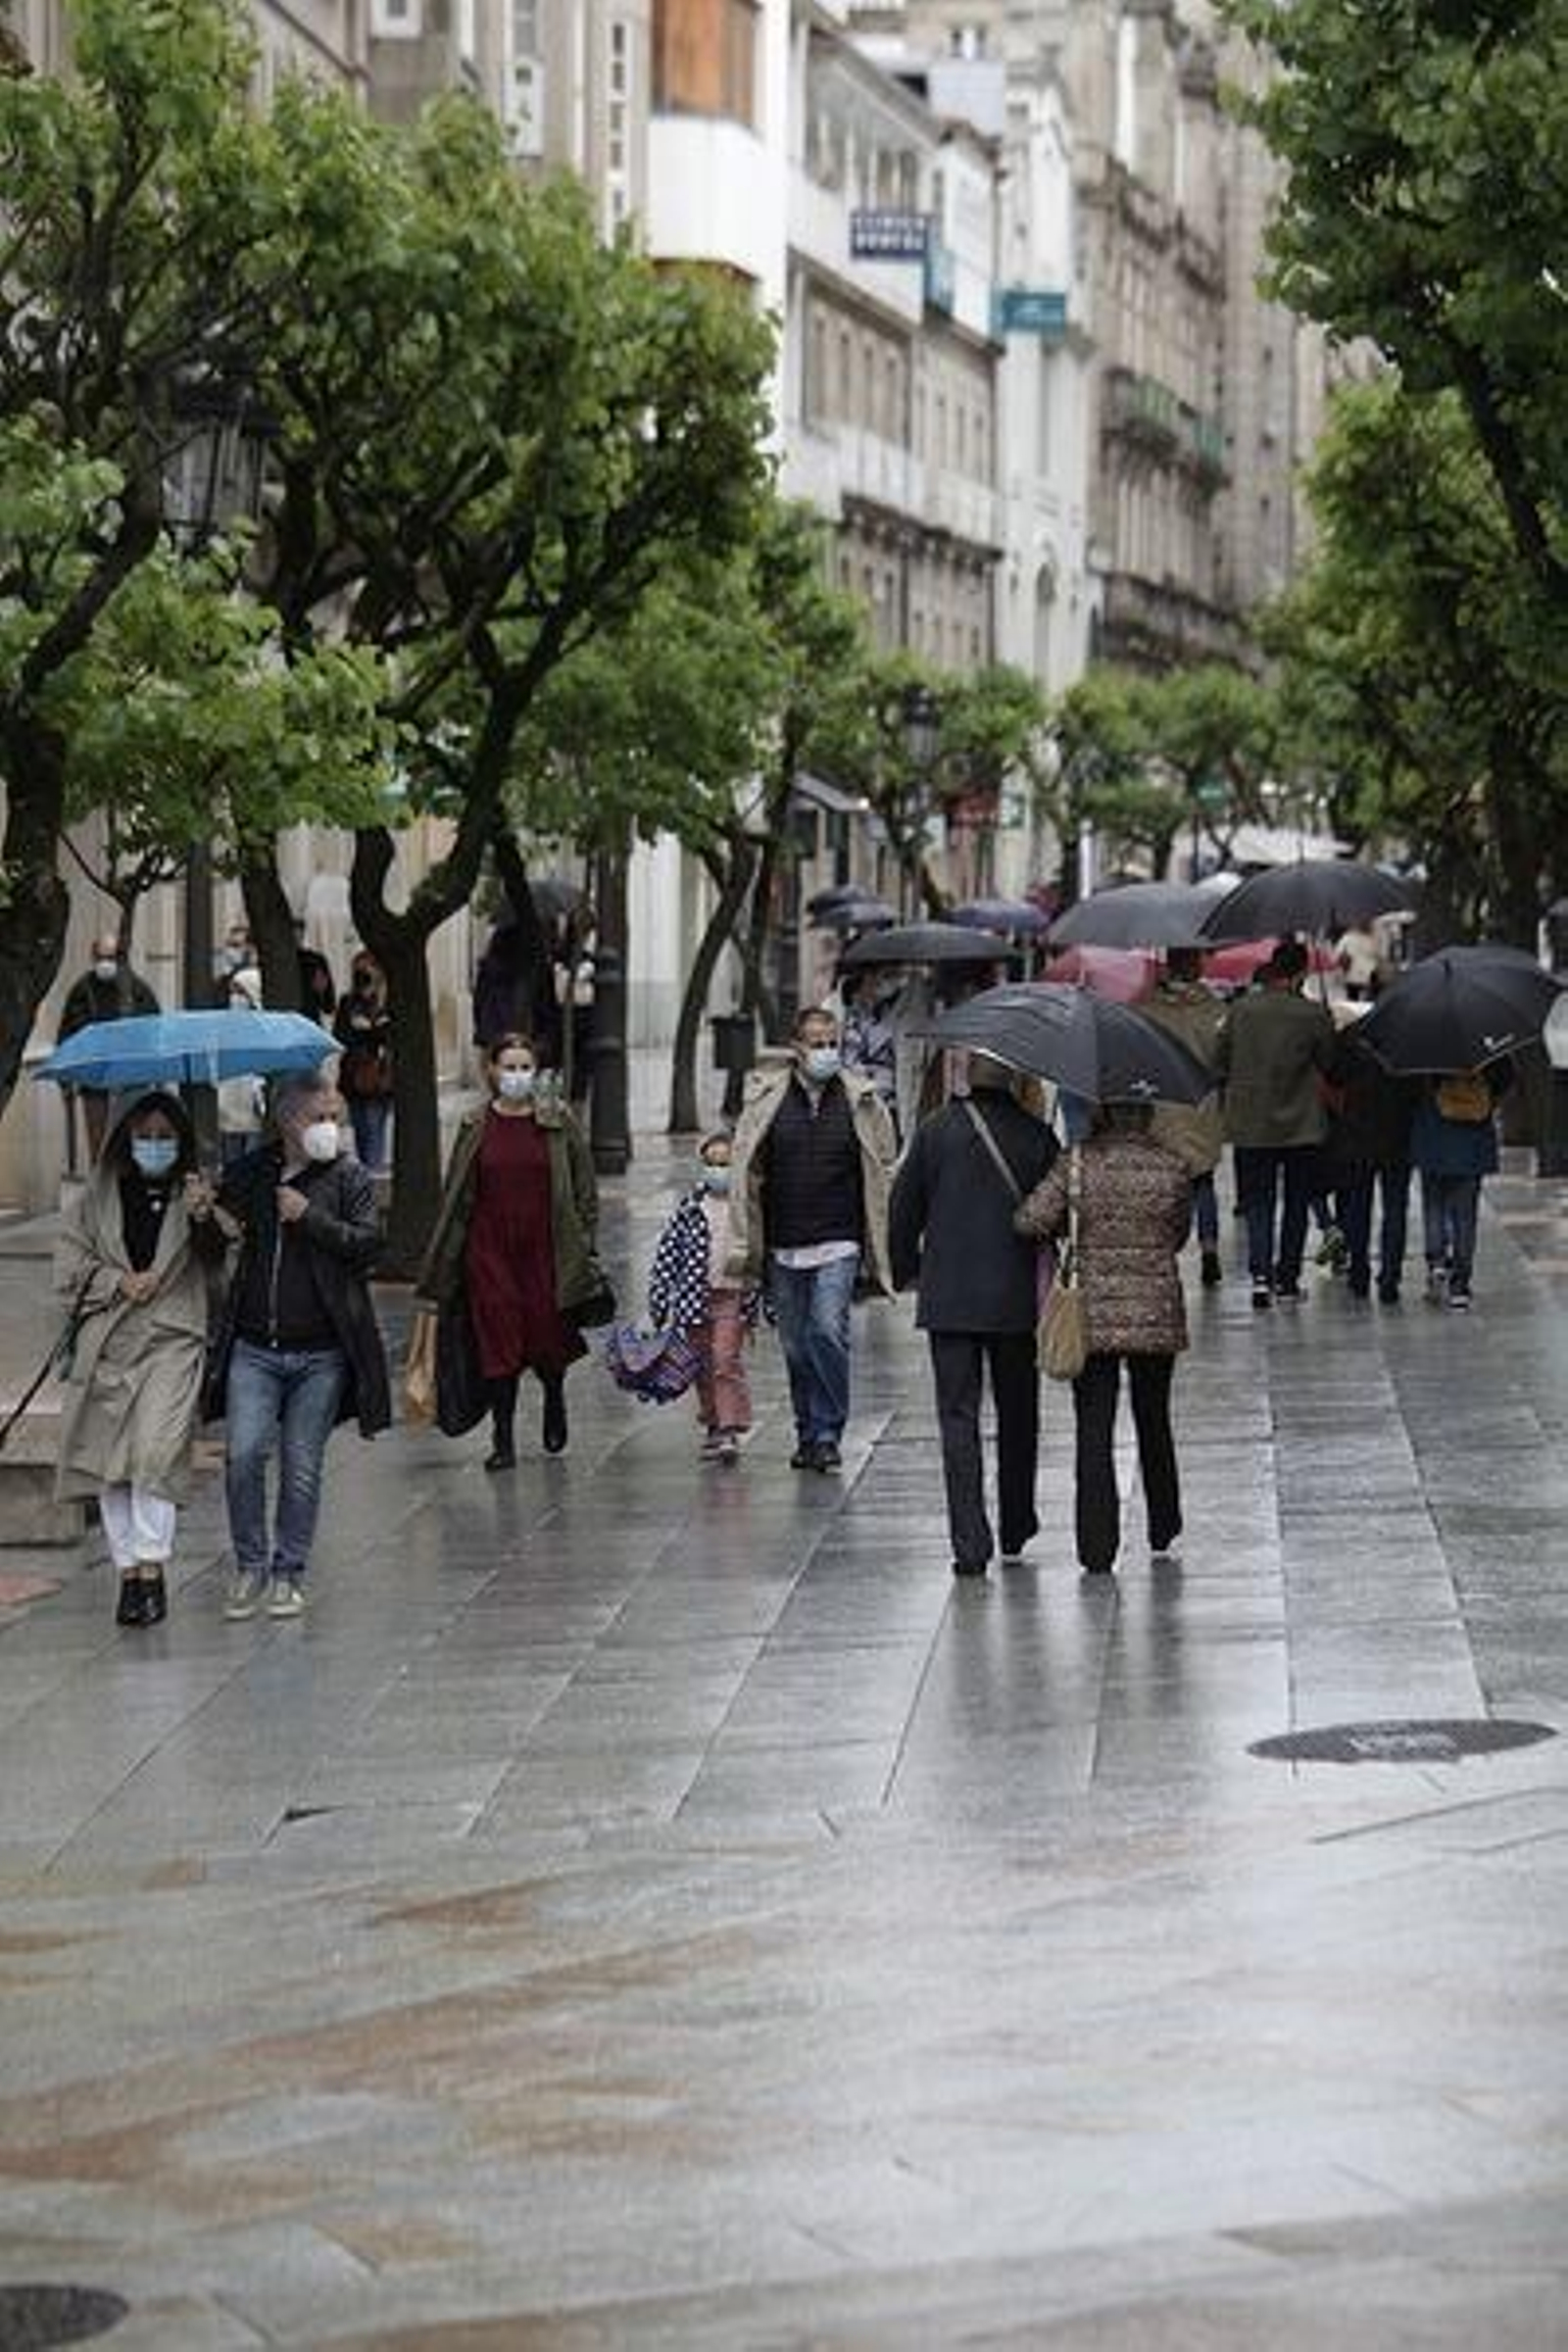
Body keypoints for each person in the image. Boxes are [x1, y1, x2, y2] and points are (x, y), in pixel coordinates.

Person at [212, 1075, 389, 1619]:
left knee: (301, 1463)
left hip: (321, 1353)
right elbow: (215, 1242)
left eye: (335, 1117)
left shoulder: (349, 1177)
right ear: (287, 1122)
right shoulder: (252, 1174)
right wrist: (204, 1213)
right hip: (255, 1348)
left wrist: (308, 1217)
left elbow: (368, 1245)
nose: (330, 1128)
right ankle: (250, 1566)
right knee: (243, 1456)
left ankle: (288, 1572)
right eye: (319, 1117)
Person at [54, 1091, 225, 1630]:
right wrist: (118, 1281)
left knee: (155, 1451)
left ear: (182, 1140)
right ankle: (128, 1572)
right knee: (111, 1463)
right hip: (110, 1340)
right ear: (126, 1140)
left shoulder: (195, 1193)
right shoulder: (95, 1198)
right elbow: (68, 1269)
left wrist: (203, 1217)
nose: (155, 1145)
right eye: (144, 1136)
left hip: (173, 1337)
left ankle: (152, 1566)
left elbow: (221, 1266)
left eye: (165, 1136)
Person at [889, 1053, 1056, 1576]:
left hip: (950, 1298)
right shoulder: (1036, 1136)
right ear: (1014, 1082)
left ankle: (969, 1543)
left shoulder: (934, 1131)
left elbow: (903, 1209)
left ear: (966, 1079)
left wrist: (906, 1269)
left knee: (957, 1419)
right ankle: (1016, 1523)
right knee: (1019, 1414)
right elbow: (1056, 1217)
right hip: (1015, 1301)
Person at [1014, 1103, 1192, 1577]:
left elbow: (1030, 1220)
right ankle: (1163, 1524)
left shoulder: (1076, 1163)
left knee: (1093, 1429)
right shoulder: (1173, 1166)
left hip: (1091, 1315)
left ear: (1102, 1113)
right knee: (1154, 1418)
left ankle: (1097, 1547)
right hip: (1155, 1311)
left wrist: (1070, 1224)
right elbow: (1178, 1236)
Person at [416, 1033, 600, 1469]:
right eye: (509, 1067)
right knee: (498, 1341)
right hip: (489, 1251)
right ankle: (503, 1439)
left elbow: (584, 1187)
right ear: (492, 1071)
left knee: (546, 1335)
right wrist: (447, 1261)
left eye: (525, 1067)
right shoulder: (475, 1125)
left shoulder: (557, 1121)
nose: (518, 1075)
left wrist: (583, 1242)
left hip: (545, 1248)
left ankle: (553, 1394)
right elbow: (457, 1194)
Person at [728, 1005, 897, 1472]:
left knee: (826, 1330)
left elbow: (884, 1165)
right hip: (783, 1243)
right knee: (796, 1347)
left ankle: (827, 1433)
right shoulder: (767, 1100)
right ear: (796, 1048)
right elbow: (748, 1171)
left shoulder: (862, 1100)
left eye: (832, 1043)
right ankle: (807, 1432)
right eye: (816, 1043)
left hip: (840, 1240)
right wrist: (745, 1240)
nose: (826, 1051)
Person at [1214, 938, 1336, 1307]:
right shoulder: (1311, 1014)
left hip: (1251, 1122)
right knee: (1297, 1202)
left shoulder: (1241, 1010)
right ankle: (1287, 1280)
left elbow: (1219, 1060)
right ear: (1301, 972)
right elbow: (1330, 1063)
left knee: (1258, 1202)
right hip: (1302, 1125)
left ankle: (1260, 1277)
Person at [646, 1130, 760, 1465]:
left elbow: (760, 1254)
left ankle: (729, 1427)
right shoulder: (690, 1208)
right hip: (694, 1299)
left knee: (725, 1360)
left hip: (733, 1295)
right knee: (702, 1364)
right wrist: (659, 1299)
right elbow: (668, 1254)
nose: (718, 1171)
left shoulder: (747, 1208)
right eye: (712, 1163)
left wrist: (765, 1302)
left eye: (725, 1164)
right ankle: (712, 1421)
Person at [1142, 944, 1227, 1287]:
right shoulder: (1215, 1009)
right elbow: (1223, 1058)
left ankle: (1165, 1248)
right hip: (1201, 1105)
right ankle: (1209, 1248)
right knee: (1203, 1180)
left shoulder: (1146, 1010)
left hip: (1163, 1106)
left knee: (1165, 1184)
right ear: (1196, 967)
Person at [1320, 1014, 1418, 1301]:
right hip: (1398, 1139)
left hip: (1356, 1137)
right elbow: (1417, 1091)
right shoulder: (1408, 1039)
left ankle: (1358, 1273)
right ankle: (1390, 1278)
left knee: (1357, 1209)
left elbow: (1332, 1076)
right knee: (1395, 1210)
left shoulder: (1350, 1038)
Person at [1410, 1061, 1511, 1309]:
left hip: (1433, 1133)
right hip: (1473, 1137)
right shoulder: (1487, 1047)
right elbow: (1506, 1078)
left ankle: (1437, 1262)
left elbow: (1409, 1087)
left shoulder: (1423, 1051)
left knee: (1434, 1205)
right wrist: (1488, 1101)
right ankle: (1460, 1287)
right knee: (1465, 1216)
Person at [56, 933, 161, 1160]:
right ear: (92, 958)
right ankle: (101, 1176)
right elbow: (66, 1035)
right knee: (99, 1145)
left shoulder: (137, 990)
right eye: (101, 957)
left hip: (132, 1081)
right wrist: (65, 1080)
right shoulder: (82, 991)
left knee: (130, 1142)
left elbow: (154, 1032)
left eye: (110, 957)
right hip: (95, 1081)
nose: (105, 963)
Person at [333, 953, 395, 1170]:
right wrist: (359, 1028)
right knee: (361, 1132)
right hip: (354, 1075)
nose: (363, 976)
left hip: (381, 1077)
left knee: (373, 1129)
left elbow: (392, 1037)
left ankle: (372, 1177)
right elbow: (339, 1036)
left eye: (368, 970)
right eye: (358, 972)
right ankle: (367, 1174)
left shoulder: (389, 1002)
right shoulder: (348, 1002)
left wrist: (371, 1029)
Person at [217, 965, 268, 1169]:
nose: (235, 997)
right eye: (232, 991)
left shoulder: (264, 1027)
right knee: (231, 1165)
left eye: (240, 991)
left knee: (251, 1163)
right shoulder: (224, 1025)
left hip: (254, 1108)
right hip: (228, 1110)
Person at [294, 919, 337, 1026]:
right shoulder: (315, 960)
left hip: (308, 1018)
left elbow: (329, 1004)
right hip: (305, 1019)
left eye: (299, 932)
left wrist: (323, 991)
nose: (297, 936)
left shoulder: (315, 960)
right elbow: (329, 1005)